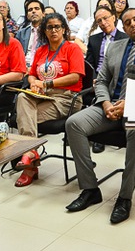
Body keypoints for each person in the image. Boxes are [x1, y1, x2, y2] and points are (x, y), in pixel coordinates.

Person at [65, 8, 135, 223]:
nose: (133, 24)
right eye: (127, 22)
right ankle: (90, 188)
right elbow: (102, 80)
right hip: (109, 107)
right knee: (74, 123)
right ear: (122, 27)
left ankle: (124, 197)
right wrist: (106, 103)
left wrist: (131, 104)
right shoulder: (115, 47)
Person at [14, 12, 85, 187]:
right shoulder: (41, 51)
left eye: (57, 27)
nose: (53, 30)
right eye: (49, 27)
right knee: (23, 96)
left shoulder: (72, 48)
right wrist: (34, 83)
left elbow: (75, 77)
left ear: (64, 29)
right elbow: (31, 76)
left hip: (67, 98)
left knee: (25, 118)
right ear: (44, 31)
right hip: (43, 97)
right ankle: (31, 151)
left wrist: (47, 83)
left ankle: (29, 166)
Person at [85, 6, 128, 74]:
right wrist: (93, 79)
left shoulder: (126, 38)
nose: (103, 23)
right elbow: (89, 65)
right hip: (98, 77)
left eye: (105, 18)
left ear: (113, 18)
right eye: (99, 21)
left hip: (117, 77)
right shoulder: (93, 40)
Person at [15, 0, 45, 68]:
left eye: (37, 9)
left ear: (43, 13)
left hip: (41, 66)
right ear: (27, 16)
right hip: (23, 66)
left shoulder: (48, 32)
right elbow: (16, 53)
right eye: (30, 10)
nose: (33, 11)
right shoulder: (21, 33)